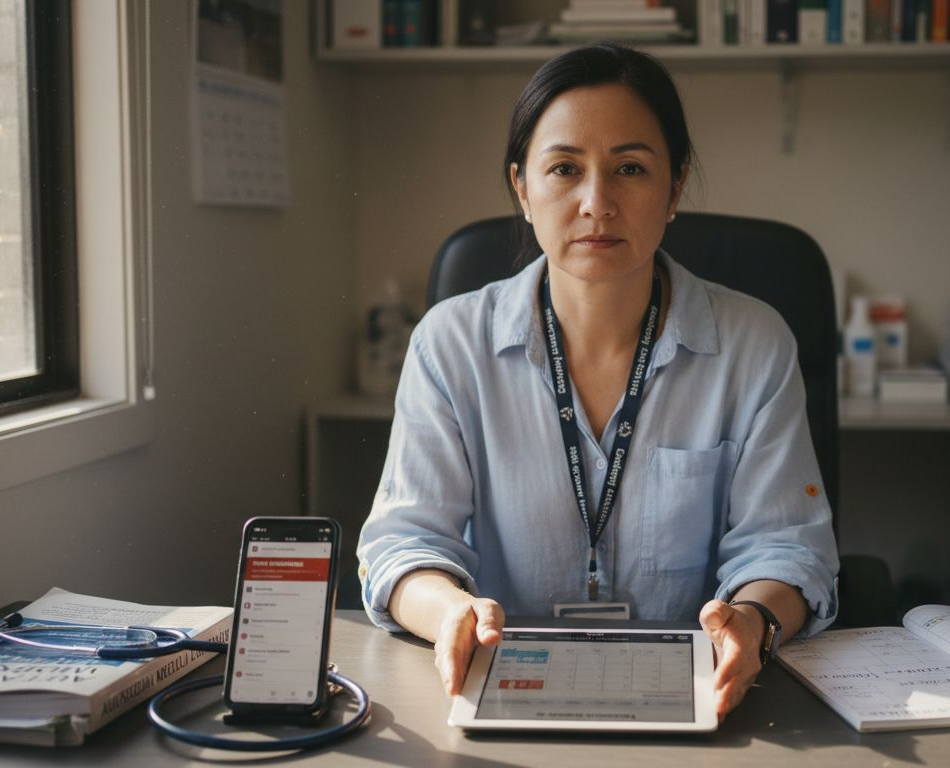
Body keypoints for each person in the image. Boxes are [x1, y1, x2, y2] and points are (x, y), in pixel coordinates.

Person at [357, 43, 839, 720]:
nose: (596, 202)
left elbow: (786, 546)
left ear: (674, 189)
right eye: (563, 169)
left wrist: (751, 621)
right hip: (504, 687)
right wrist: (453, 614)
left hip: (695, 697)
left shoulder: (753, 345)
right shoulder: (449, 343)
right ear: (522, 188)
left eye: (631, 169)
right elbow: (404, 544)